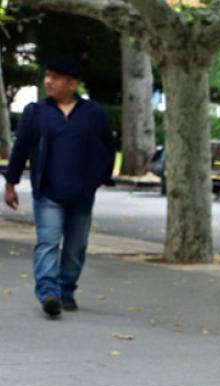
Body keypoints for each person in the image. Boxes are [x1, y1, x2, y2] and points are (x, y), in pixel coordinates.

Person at [4, 59, 116, 318]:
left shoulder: (93, 114)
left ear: (72, 84)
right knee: (48, 242)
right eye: (47, 76)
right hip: (48, 192)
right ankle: (48, 293)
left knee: (76, 247)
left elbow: (108, 148)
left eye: (55, 77)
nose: (48, 81)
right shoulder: (36, 112)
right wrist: (11, 184)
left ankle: (66, 290)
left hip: (81, 194)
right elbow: (20, 149)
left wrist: (99, 178)